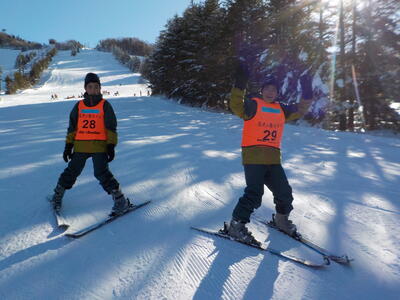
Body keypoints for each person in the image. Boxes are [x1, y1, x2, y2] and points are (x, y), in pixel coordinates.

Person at [225, 63, 313, 245]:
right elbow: (235, 104)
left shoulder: (282, 109)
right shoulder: (252, 106)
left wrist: (307, 91)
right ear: (262, 90)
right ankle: (236, 225)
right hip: (254, 158)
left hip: (273, 160)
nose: (270, 92)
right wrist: (240, 82)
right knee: (254, 193)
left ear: (277, 93)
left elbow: (301, 110)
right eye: (267, 89)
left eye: (274, 90)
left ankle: (281, 221)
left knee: (284, 193)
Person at [50, 73, 130, 216]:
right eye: (90, 87)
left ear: (100, 88)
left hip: (99, 147)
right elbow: (72, 127)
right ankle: (57, 196)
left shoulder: (105, 105)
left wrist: (110, 146)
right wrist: (68, 146)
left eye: (96, 87)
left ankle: (120, 200)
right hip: (81, 146)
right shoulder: (79, 106)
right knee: (71, 171)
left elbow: (111, 127)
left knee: (102, 173)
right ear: (85, 88)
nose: (93, 89)